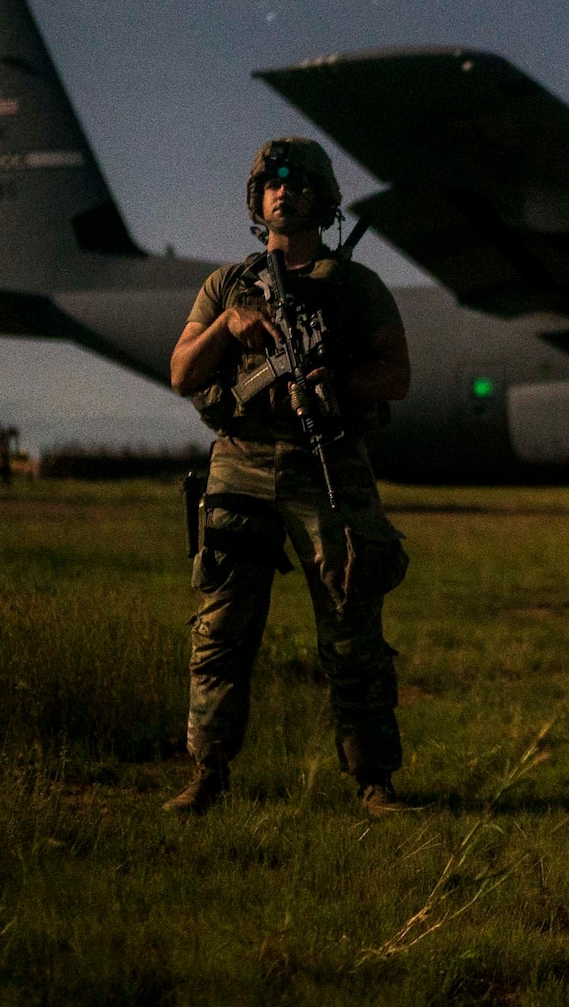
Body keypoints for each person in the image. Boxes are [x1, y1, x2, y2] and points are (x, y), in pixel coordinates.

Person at [164, 137, 413, 816]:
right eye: (272, 181)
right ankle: (208, 773)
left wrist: (343, 381)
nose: (284, 190)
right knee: (221, 627)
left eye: (299, 182)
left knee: (351, 626)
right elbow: (183, 373)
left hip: (328, 461)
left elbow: (398, 375)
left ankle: (374, 780)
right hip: (241, 465)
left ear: (323, 199)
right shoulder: (227, 285)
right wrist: (228, 324)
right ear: (257, 198)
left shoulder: (354, 286)